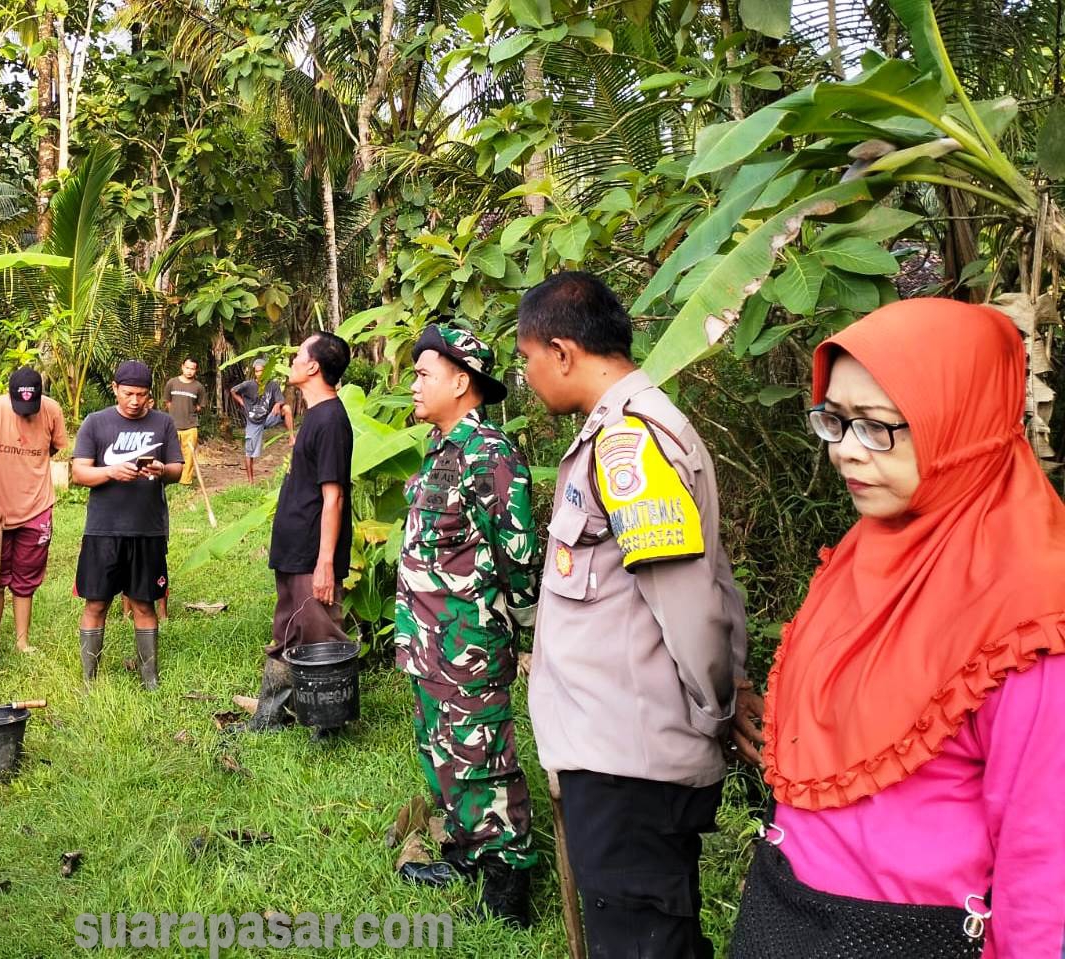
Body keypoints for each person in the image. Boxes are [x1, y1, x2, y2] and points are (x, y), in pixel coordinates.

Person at [730, 300, 1065, 958]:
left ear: (959, 421)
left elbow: (1044, 858)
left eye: (877, 427)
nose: (845, 452)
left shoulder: (1030, 609)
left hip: (906, 937)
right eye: (835, 420)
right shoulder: (871, 550)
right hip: (787, 910)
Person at [516, 271, 746, 957]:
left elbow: (692, 603)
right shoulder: (620, 435)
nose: (527, 377)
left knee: (644, 944)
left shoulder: (629, 446)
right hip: (612, 751)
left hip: (633, 765)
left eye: (527, 359)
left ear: (562, 352)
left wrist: (717, 712)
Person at [394, 324, 538, 927]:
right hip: (427, 642)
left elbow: (520, 553)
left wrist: (526, 632)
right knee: (442, 752)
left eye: (424, 373)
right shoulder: (441, 450)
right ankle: (466, 850)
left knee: (482, 758)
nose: (415, 384)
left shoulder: (490, 454)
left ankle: (509, 887)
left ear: (461, 380)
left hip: (468, 645)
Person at [245, 332, 354, 732]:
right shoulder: (315, 415)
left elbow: (334, 498)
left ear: (313, 367)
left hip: (312, 551)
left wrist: (325, 562)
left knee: (321, 633)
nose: (291, 361)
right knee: (287, 631)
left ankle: (330, 726)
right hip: (294, 547)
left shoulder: (330, 420)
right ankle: (268, 719)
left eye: (297, 356)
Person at [72, 360, 183, 690]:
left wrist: (162, 470)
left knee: (144, 603)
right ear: (115, 388)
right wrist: (110, 471)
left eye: (142, 395)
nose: (135, 401)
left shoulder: (163, 424)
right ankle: (89, 680)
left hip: (146, 530)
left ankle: (150, 677)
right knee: (96, 602)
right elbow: (79, 473)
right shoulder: (96, 423)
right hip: (103, 530)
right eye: (128, 393)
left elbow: (178, 469)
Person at [0, 367, 68, 666]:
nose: (26, 414)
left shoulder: (51, 411)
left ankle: (22, 641)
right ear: (9, 395)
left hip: (36, 508)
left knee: (26, 578)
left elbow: (53, 448)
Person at [230, 357, 292, 483]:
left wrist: (277, 404)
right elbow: (233, 391)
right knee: (249, 452)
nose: (260, 374)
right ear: (254, 372)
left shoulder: (273, 385)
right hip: (253, 421)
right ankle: (251, 482)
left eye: (262, 371)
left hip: (268, 417)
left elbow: (280, 399)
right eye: (257, 371)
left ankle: (291, 437)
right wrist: (242, 402)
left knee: (287, 408)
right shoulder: (248, 385)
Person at [164, 357, 206, 485]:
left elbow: (200, 406)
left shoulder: (198, 387)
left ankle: (185, 481)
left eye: (192, 369)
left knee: (189, 455)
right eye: (187, 368)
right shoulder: (172, 382)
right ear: (182, 367)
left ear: (196, 370)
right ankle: (170, 479)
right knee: (171, 454)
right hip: (173, 426)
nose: (189, 371)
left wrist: (188, 411)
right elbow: (168, 401)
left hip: (191, 426)